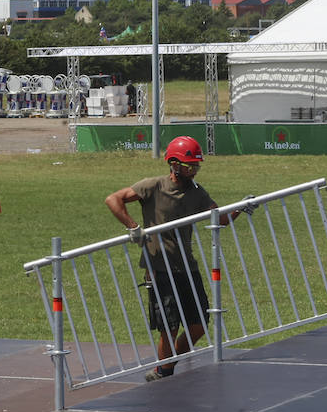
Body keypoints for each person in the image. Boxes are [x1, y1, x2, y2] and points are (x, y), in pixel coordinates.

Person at [105, 135, 253, 381]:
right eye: (189, 166)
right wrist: (133, 227)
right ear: (173, 164)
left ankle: (167, 364)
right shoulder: (153, 186)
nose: (194, 171)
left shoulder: (197, 193)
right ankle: (165, 371)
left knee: (199, 324)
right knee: (169, 325)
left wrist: (241, 207)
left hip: (186, 266)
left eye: (196, 166)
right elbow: (113, 199)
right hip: (159, 268)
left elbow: (221, 218)